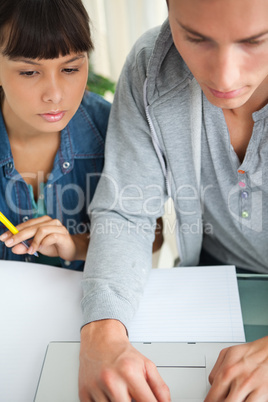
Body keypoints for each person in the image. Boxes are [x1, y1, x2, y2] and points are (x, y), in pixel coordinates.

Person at [79, 0, 268, 400]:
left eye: (255, 41)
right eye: (195, 38)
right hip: (212, 286)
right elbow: (126, 211)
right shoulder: (151, 68)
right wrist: (103, 333)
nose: (224, 76)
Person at [0, 0, 111, 271]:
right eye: (29, 72)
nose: (55, 95)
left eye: (70, 69)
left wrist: (76, 245)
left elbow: (151, 236)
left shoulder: (110, 126)